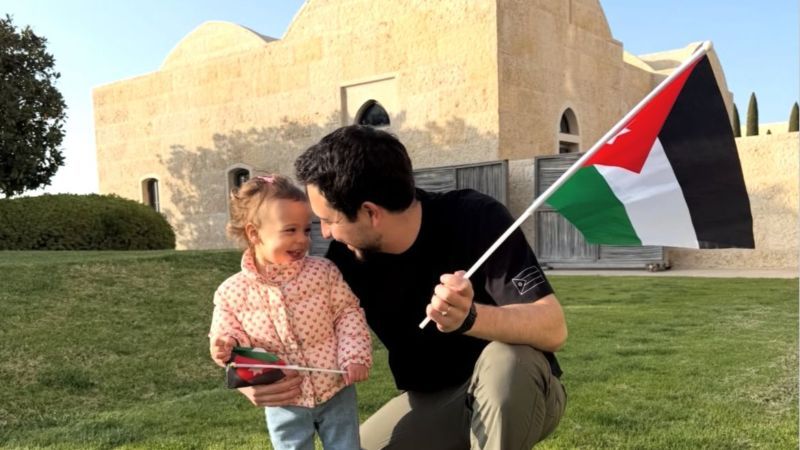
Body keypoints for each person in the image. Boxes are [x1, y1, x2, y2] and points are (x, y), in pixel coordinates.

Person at [208, 174, 372, 450]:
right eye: (290, 230)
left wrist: (354, 356)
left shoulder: (323, 273)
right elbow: (229, 340)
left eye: (306, 230)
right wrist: (224, 345)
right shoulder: (231, 292)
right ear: (254, 233)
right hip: (283, 399)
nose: (302, 240)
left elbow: (348, 314)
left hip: (335, 388)